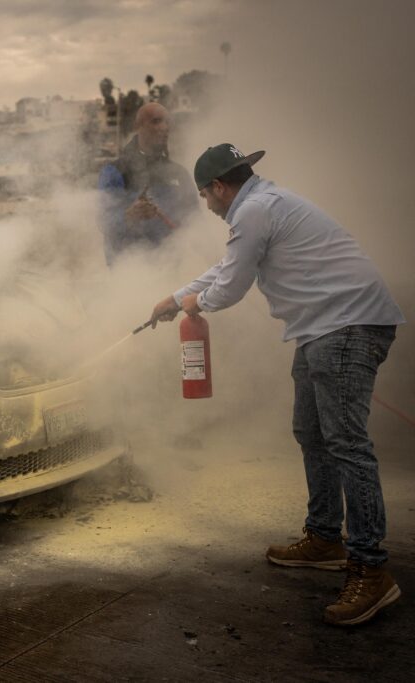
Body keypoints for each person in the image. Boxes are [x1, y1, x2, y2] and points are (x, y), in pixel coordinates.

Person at [150, 144, 405, 627]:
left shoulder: (254, 210)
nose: (207, 204)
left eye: (205, 195)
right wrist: (177, 295)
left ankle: (372, 569)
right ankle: (326, 537)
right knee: (311, 432)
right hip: (323, 328)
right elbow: (226, 269)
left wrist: (193, 305)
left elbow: (229, 288)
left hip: (346, 326)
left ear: (219, 187)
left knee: (348, 444)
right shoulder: (262, 205)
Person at [97, 102, 197, 266]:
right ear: (138, 126)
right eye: (156, 121)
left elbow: (195, 219)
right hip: (130, 273)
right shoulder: (115, 171)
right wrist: (129, 215)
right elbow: (103, 221)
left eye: (167, 122)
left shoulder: (179, 174)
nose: (164, 127)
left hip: (172, 270)